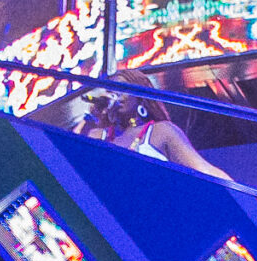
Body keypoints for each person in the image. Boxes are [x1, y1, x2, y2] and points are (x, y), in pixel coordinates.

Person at [83, 72, 235, 181]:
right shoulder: (98, 136)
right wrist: (96, 117)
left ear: (140, 96)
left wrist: (241, 194)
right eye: (111, 90)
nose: (115, 95)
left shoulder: (161, 131)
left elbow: (203, 169)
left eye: (122, 89)